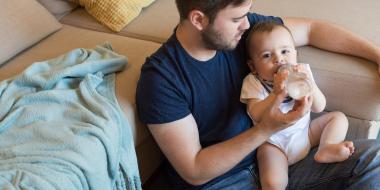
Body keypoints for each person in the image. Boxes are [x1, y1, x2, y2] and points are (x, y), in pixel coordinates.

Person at [136, 0, 380, 189]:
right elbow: (195, 170)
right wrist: (266, 128)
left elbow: (313, 29)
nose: (246, 24)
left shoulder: (245, 34)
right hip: (223, 181)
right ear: (199, 19)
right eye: (236, 18)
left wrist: (376, 55)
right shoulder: (161, 80)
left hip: (289, 159)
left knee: (375, 159)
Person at [241, 22, 355, 190]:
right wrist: (276, 94)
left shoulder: (303, 72)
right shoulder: (253, 82)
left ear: (295, 54)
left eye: (285, 51)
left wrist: (309, 83)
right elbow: (255, 113)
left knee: (338, 118)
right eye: (266, 56)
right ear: (253, 67)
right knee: (273, 182)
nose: (278, 59)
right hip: (274, 142)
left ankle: (326, 147)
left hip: (305, 134)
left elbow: (319, 106)